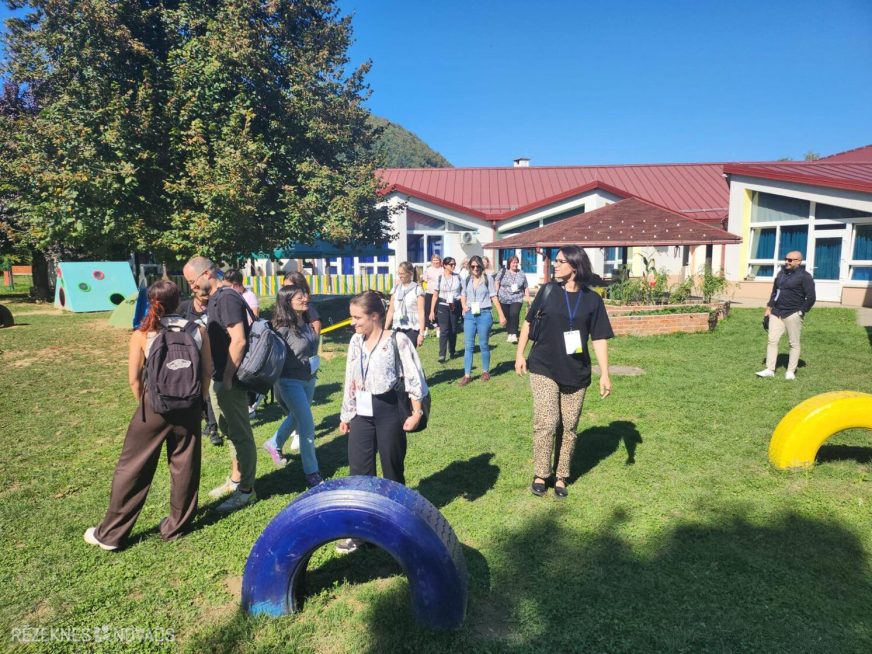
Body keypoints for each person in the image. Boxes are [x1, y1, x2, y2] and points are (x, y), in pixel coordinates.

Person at [84, 280, 212, 550]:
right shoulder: (198, 329)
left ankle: (111, 534)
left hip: (153, 408)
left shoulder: (143, 333)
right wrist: (198, 402)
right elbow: (206, 372)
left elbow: (134, 379)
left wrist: (146, 405)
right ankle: (176, 526)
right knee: (185, 465)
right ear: (178, 301)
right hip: (189, 407)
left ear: (151, 301)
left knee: (133, 467)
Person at [514, 246, 614, 499]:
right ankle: (541, 473)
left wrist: (605, 373)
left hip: (576, 371)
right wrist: (520, 354)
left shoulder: (592, 300)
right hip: (544, 365)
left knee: (569, 426)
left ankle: (561, 475)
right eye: (555, 261)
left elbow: (599, 337)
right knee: (547, 422)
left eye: (560, 261)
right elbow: (528, 323)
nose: (555, 265)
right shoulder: (548, 291)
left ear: (575, 266)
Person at [337, 291, 428, 553]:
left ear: (375, 316)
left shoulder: (397, 340)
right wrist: (347, 414)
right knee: (359, 471)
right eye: (352, 317)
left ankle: (397, 528)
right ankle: (361, 531)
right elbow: (350, 378)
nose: (352, 322)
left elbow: (414, 376)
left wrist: (416, 413)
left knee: (392, 469)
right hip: (361, 411)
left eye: (357, 317)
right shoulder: (355, 341)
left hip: (389, 409)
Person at [183, 256, 258, 513]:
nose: (191, 287)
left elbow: (239, 340)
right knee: (229, 431)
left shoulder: (226, 298)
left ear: (207, 273)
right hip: (219, 377)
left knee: (241, 434)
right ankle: (237, 480)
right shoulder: (215, 298)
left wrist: (226, 377)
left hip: (230, 380)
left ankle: (246, 491)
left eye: (192, 281)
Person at [262, 285, 323, 487]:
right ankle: (312, 472)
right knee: (306, 425)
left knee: (297, 417)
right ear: (288, 302)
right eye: (300, 297)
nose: (305, 298)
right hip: (290, 382)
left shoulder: (305, 320)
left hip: (309, 378)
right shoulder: (281, 328)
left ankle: (274, 443)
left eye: (304, 295)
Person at [756, 251, 816, 380]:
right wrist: (769, 308)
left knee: (793, 343)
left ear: (799, 261)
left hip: (793, 313)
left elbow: (811, 297)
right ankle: (770, 369)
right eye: (786, 259)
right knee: (772, 340)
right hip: (776, 312)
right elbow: (775, 292)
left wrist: (801, 311)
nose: (787, 262)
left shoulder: (805, 276)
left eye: (790, 260)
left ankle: (790, 371)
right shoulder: (781, 273)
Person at [178, 293, 221, 446]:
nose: (204, 296)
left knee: (209, 392)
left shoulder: (214, 307)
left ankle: (213, 429)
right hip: (190, 356)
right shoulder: (185, 308)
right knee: (197, 392)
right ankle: (207, 422)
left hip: (212, 356)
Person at [459, 255, 506, 386]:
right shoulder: (467, 279)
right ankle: (467, 375)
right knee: (469, 346)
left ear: (481, 266)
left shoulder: (488, 279)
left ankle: (485, 371)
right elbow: (463, 294)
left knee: (484, 344)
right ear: (470, 267)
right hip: (470, 315)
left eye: (478, 266)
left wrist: (501, 315)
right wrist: (463, 305)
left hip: (484, 314)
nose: (475, 268)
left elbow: (494, 297)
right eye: (473, 266)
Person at [428, 256, 462, 363]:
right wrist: (432, 311)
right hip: (443, 305)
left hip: (455, 304)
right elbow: (435, 295)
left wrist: (464, 305)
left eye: (454, 264)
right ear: (445, 265)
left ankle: (452, 350)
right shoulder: (440, 278)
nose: (453, 266)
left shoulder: (458, 277)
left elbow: (463, 293)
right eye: (451, 264)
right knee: (444, 330)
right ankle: (442, 354)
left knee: (453, 330)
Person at [385, 262, 426, 348]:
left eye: (402, 273)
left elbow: (421, 312)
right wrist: (385, 329)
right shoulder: (395, 289)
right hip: (397, 326)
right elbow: (391, 311)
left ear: (410, 273)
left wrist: (421, 333)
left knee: (407, 353)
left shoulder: (417, 290)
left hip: (412, 327)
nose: (400, 276)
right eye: (399, 273)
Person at [496, 255, 530, 343]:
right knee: (507, 315)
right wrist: (495, 293)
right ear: (509, 263)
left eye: (516, 262)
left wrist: (527, 297)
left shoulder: (521, 273)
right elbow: (497, 282)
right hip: (503, 298)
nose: (515, 264)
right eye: (513, 262)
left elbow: (525, 286)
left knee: (514, 313)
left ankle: (514, 333)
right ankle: (509, 333)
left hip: (517, 298)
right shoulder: (503, 271)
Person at [423, 254, 442, 332]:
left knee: (437, 310)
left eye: (437, 260)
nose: (435, 262)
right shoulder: (428, 270)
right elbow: (424, 280)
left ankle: (437, 327)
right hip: (429, 292)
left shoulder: (442, 270)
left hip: (439, 293)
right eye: (434, 260)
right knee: (427, 310)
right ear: (431, 261)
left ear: (440, 261)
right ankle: (426, 327)